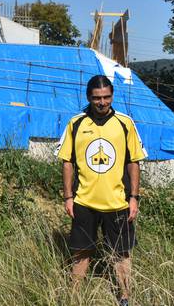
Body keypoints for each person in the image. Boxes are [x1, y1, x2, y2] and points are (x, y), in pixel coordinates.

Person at [55, 75, 146, 306]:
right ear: (89, 98)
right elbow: (67, 162)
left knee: (121, 253)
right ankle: (74, 297)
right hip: (84, 202)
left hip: (118, 202)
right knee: (81, 253)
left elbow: (133, 161)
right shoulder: (76, 123)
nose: (102, 102)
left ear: (112, 96)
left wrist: (134, 197)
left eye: (106, 97)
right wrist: (68, 197)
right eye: (97, 98)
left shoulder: (125, 123)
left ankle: (125, 298)